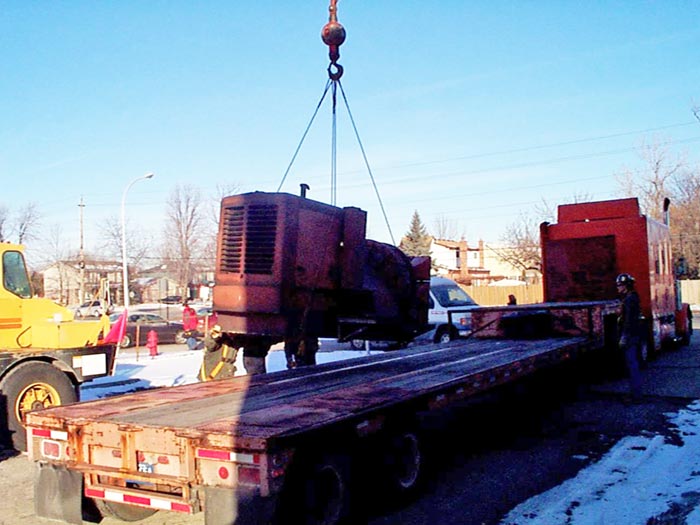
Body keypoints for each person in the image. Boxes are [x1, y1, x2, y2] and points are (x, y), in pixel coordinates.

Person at [616, 273, 643, 401]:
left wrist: (624, 336)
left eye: (619, 285)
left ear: (626, 286)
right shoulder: (631, 298)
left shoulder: (629, 299)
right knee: (633, 364)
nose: (618, 288)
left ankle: (636, 395)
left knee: (632, 365)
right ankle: (635, 393)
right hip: (634, 335)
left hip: (630, 336)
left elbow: (629, 320)